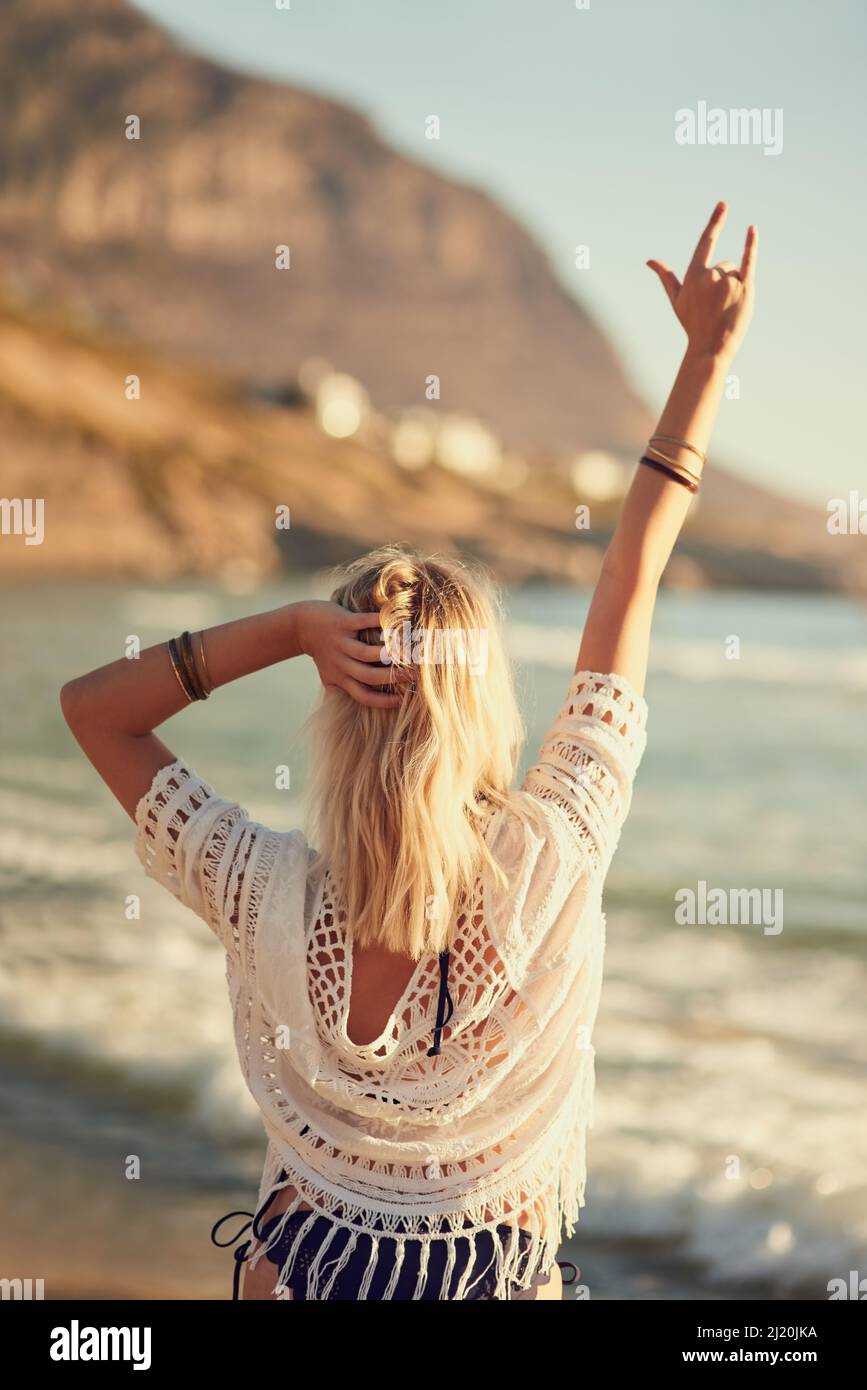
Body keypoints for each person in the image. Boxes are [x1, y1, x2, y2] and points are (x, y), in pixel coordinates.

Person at [60, 202, 756, 1300]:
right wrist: (708, 359)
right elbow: (632, 569)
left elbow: (96, 710)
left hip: (307, 1278)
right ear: (479, 706)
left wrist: (291, 630)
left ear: (342, 714)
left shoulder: (263, 895)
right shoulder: (547, 863)